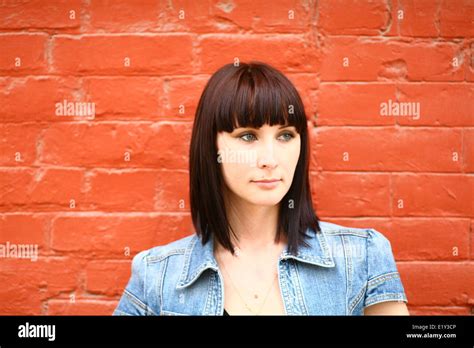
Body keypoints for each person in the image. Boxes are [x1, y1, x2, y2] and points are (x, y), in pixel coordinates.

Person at [113, 61, 409, 316]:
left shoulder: (363, 257)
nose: (270, 159)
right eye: (247, 136)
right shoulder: (157, 275)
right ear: (211, 147)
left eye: (285, 136)